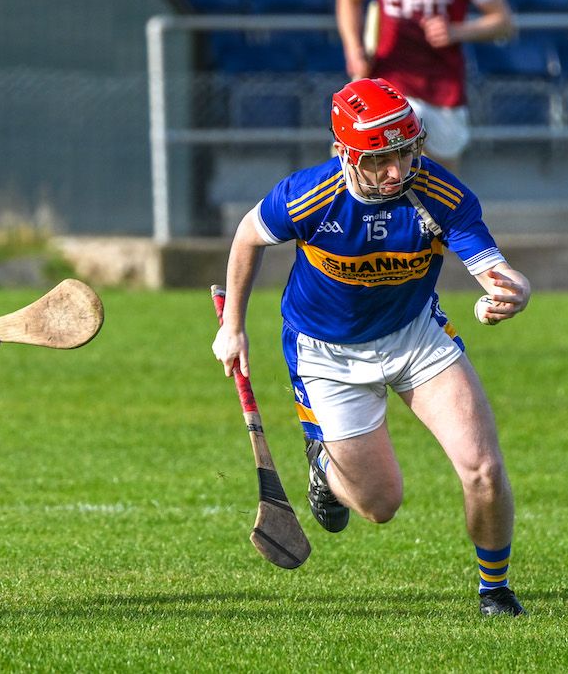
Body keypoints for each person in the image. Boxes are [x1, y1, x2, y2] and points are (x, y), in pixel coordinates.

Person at [212, 77, 531, 617]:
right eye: (379, 159)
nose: (396, 172)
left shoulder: (440, 194)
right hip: (326, 354)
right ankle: (325, 470)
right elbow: (248, 235)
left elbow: (491, 266)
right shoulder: (309, 196)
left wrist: (512, 289)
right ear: (343, 154)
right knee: (380, 506)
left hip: (415, 336)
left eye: (406, 153)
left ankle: (494, 589)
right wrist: (233, 327)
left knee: (483, 467)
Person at [336, 0, 515, 172]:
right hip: (391, 87)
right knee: (383, 176)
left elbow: (503, 22)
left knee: (443, 181)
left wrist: (456, 30)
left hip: (444, 88)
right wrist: (354, 49)